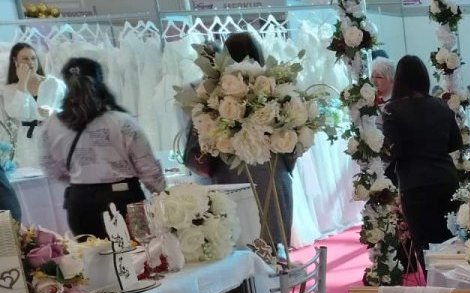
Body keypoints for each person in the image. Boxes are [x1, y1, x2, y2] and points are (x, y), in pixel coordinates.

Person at [184, 32, 295, 251]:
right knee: (272, 245)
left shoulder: (212, 95)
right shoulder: (276, 88)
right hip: (273, 175)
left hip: (231, 180)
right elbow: (293, 142)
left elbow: (197, 148)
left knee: (239, 248)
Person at [39, 58, 165, 238]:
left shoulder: (52, 125)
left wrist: (82, 177)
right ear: (100, 82)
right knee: (140, 252)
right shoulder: (122, 122)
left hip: (80, 203)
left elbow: (51, 168)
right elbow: (149, 170)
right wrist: (165, 196)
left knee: (92, 254)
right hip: (125, 201)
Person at [381, 56, 463, 269]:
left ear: (399, 79)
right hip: (447, 180)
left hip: (416, 185)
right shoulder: (441, 105)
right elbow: (455, 142)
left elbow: (392, 151)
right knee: (453, 244)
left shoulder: (392, 110)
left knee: (426, 249)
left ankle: (434, 289)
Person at [1, 43, 65, 169]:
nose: (30, 62)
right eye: (25, 59)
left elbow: (69, 112)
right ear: (15, 61)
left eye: (33, 58)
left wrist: (52, 112)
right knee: (30, 177)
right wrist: (22, 83)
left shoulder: (54, 84)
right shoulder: (9, 90)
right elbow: (17, 113)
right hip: (25, 143)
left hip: (51, 138)